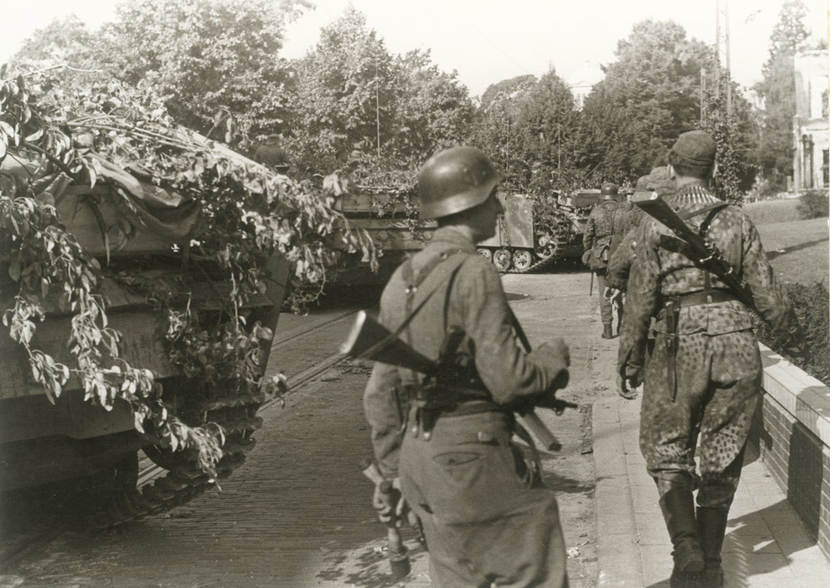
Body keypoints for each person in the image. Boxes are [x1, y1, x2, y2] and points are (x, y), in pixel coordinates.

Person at [362, 146, 572, 587]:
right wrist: (553, 358)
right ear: (469, 204)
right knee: (536, 557)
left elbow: (380, 395)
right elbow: (510, 382)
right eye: (493, 197)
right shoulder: (473, 271)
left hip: (422, 460)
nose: (498, 208)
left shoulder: (403, 277)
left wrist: (391, 474)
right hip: (471, 456)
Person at [617, 131, 797, 587]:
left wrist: (630, 360)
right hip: (737, 344)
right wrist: (791, 326)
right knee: (723, 453)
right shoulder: (738, 220)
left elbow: (639, 299)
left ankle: (686, 549)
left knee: (666, 450)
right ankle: (713, 563)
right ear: (713, 169)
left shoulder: (654, 222)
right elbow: (770, 298)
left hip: (680, 344)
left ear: (672, 166)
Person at [582, 182, 625, 338]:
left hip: (601, 256)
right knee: (622, 290)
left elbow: (587, 236)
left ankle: (607, 329)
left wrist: (588, 251)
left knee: (604, 293)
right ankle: (621, 326)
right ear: (616, 195)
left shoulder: (596, 211)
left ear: (602, 196)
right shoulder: (624, 210)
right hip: (621, 254)